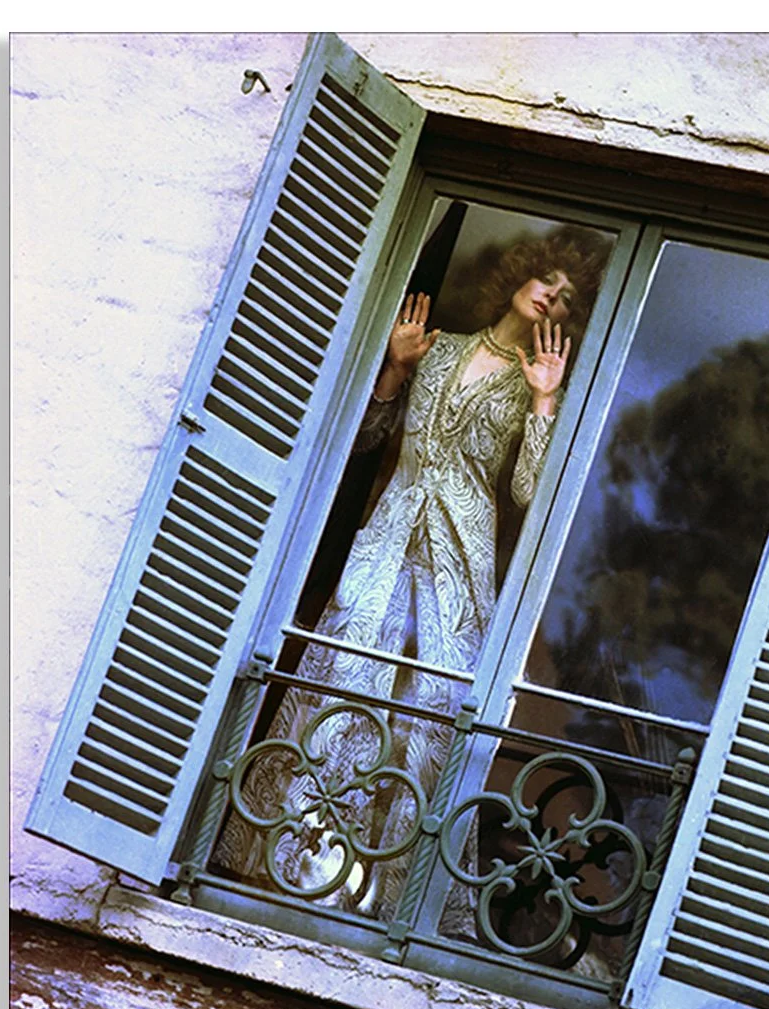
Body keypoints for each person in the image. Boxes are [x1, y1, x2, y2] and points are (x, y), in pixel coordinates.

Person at [213, 228, 609, 932]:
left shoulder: (533, 382)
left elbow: (528, 493)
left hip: (461, 558)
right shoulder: (442, 347)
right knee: (341, 682)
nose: (552, 291)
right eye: (546, 276)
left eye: (568, 294)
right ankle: (297, 865)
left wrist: (546, 404)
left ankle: (391, 896)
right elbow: (363, 442)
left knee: (429, 712)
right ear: (519, 275)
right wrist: (395, 369)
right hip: (388, 538)